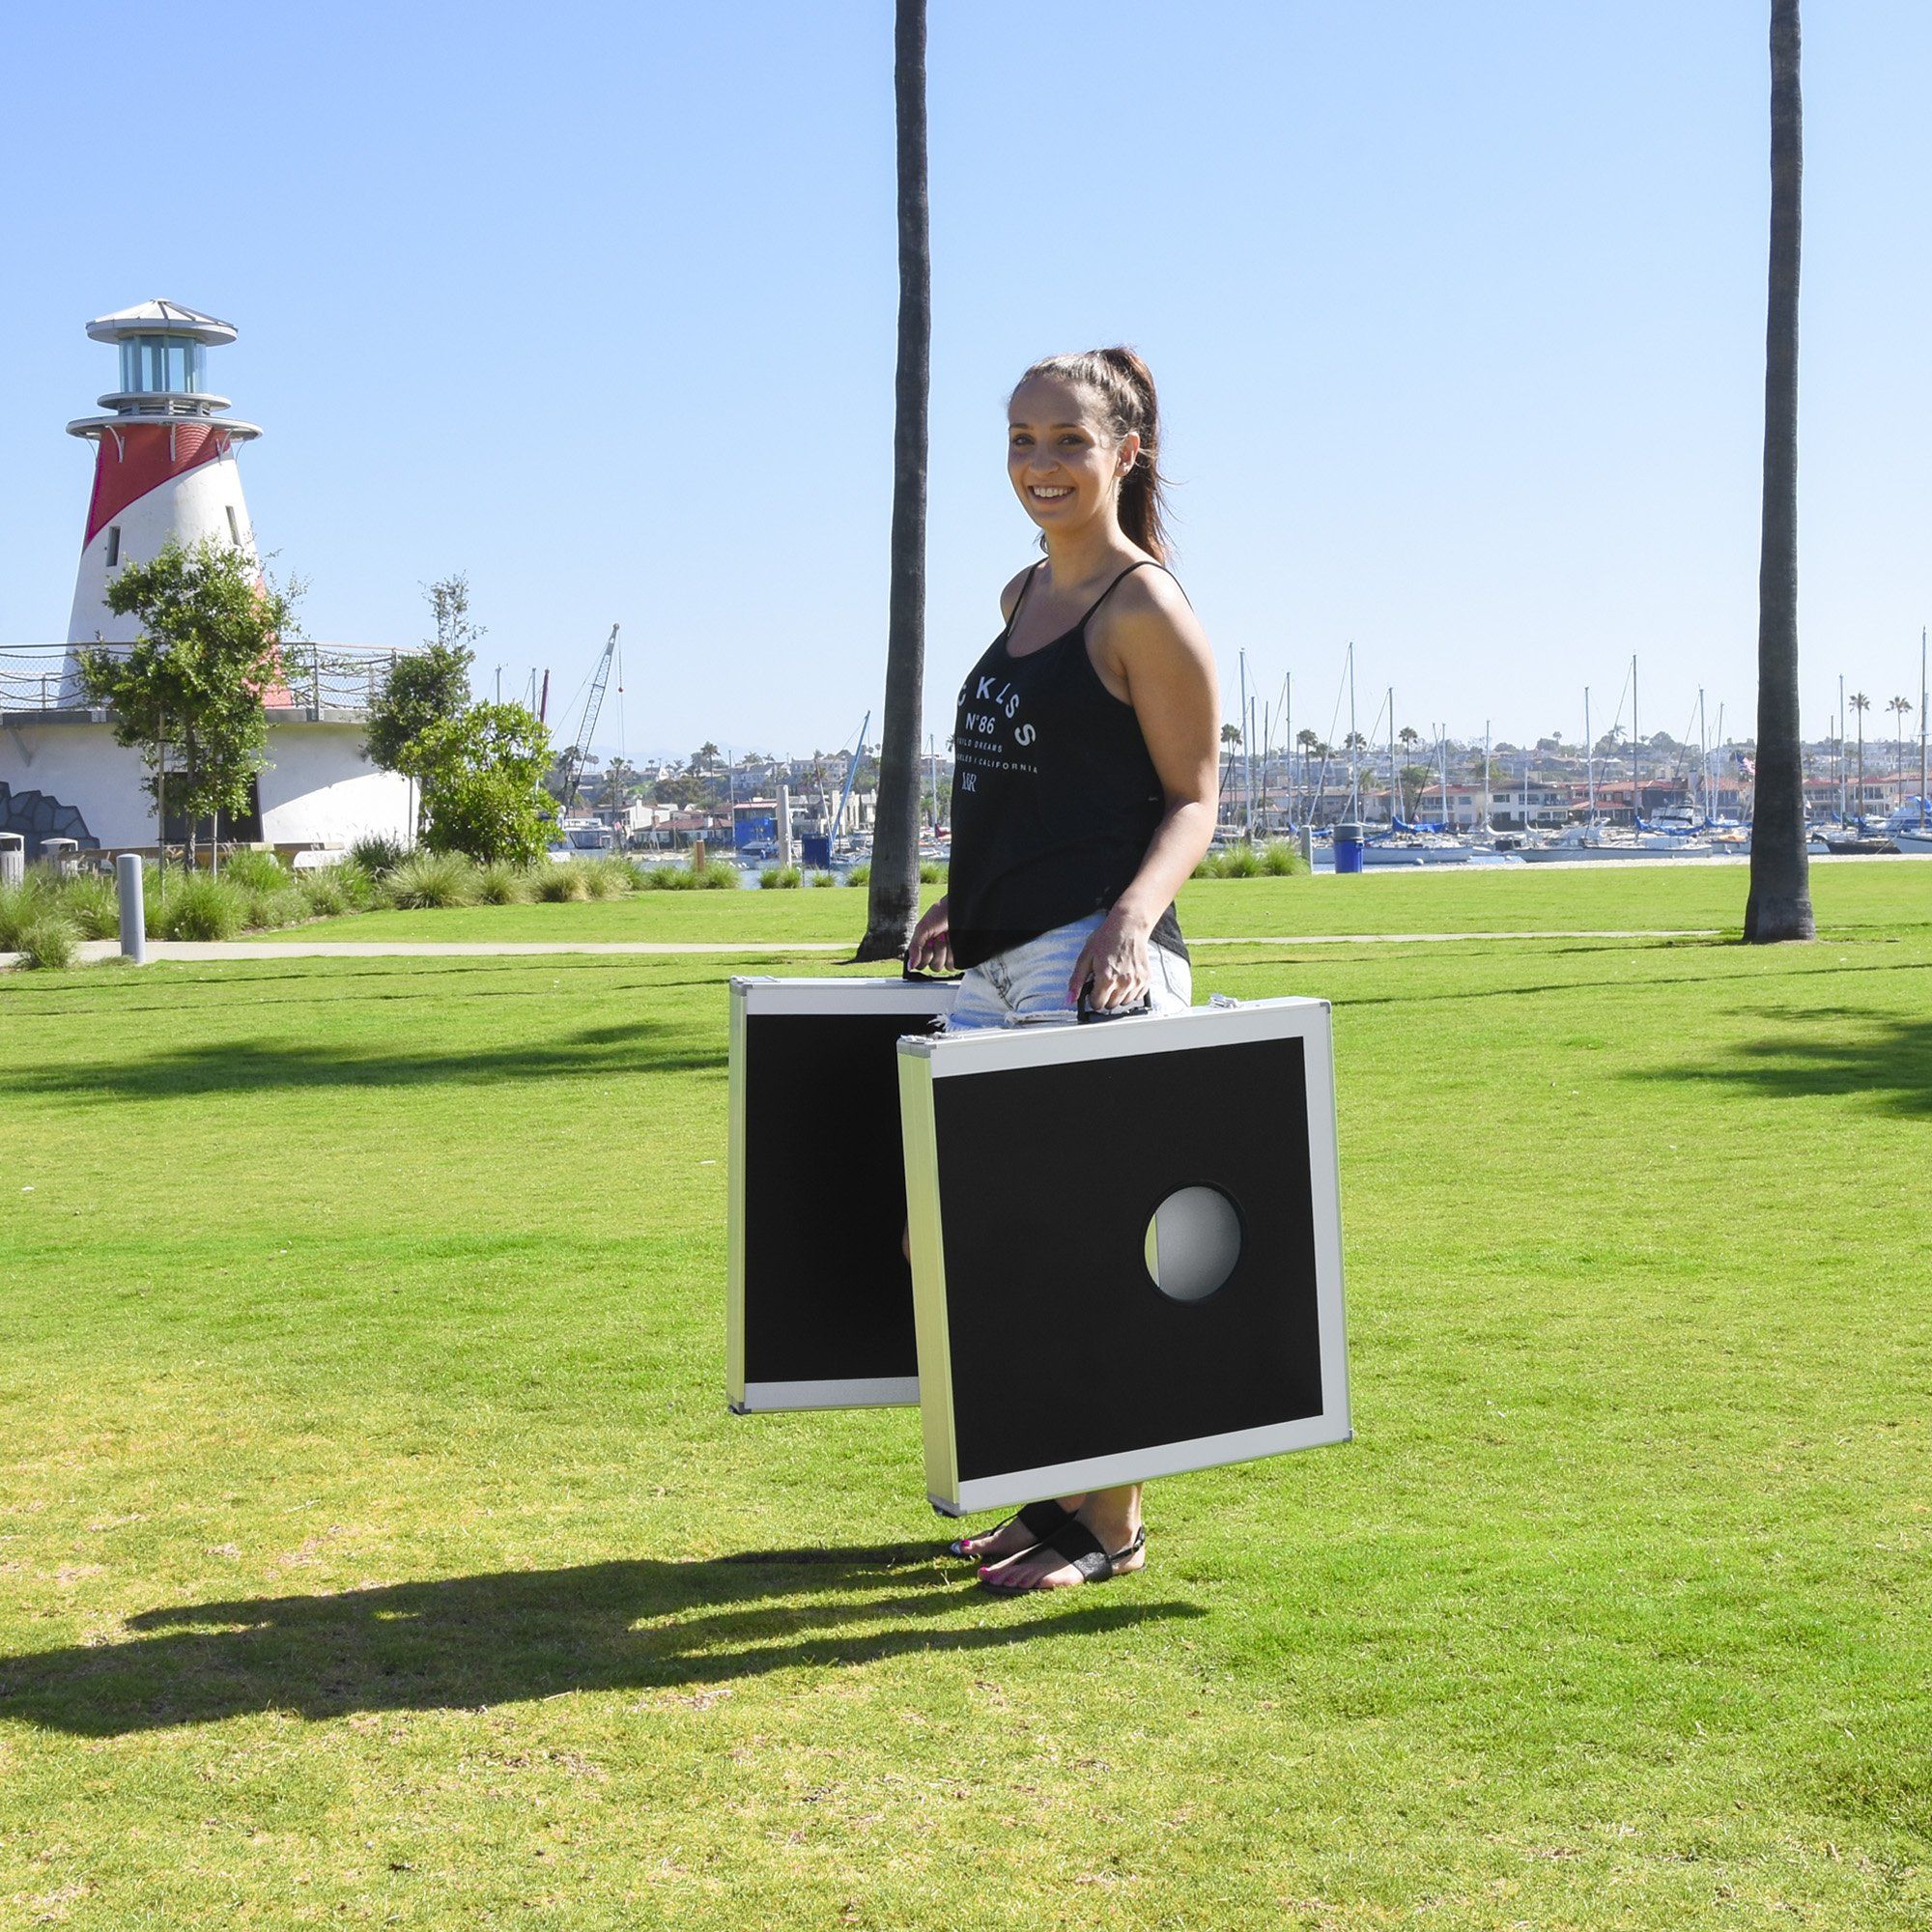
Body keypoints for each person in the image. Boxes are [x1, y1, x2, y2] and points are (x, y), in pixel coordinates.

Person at [904, 346, 1220, 1593]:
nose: (1041, 464)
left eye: (1068, 443)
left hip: (1093, 966)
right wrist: (958, 897)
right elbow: (1031, 795)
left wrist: (1131, 924)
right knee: (997, 1249)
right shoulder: (1018, 593)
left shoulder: (1145, 609)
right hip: (994, 960)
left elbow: (1195, 801)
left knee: (1096, 1248)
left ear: (1124, 453)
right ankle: (1055, 1501)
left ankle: (1113, 1525)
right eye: (1025, 440)